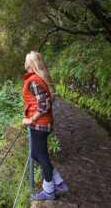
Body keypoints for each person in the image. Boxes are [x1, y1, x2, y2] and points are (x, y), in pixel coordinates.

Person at [22, 51, 68, 200]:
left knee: (40, 155)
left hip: (39, 125)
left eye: (26, 60)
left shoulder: (34, 80)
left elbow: (44, 104)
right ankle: (58, 182)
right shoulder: (39, 79)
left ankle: (49, 191)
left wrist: (31, 119)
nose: (25, 63)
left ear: (30, 64)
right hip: (43, 124)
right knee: (36, 155)